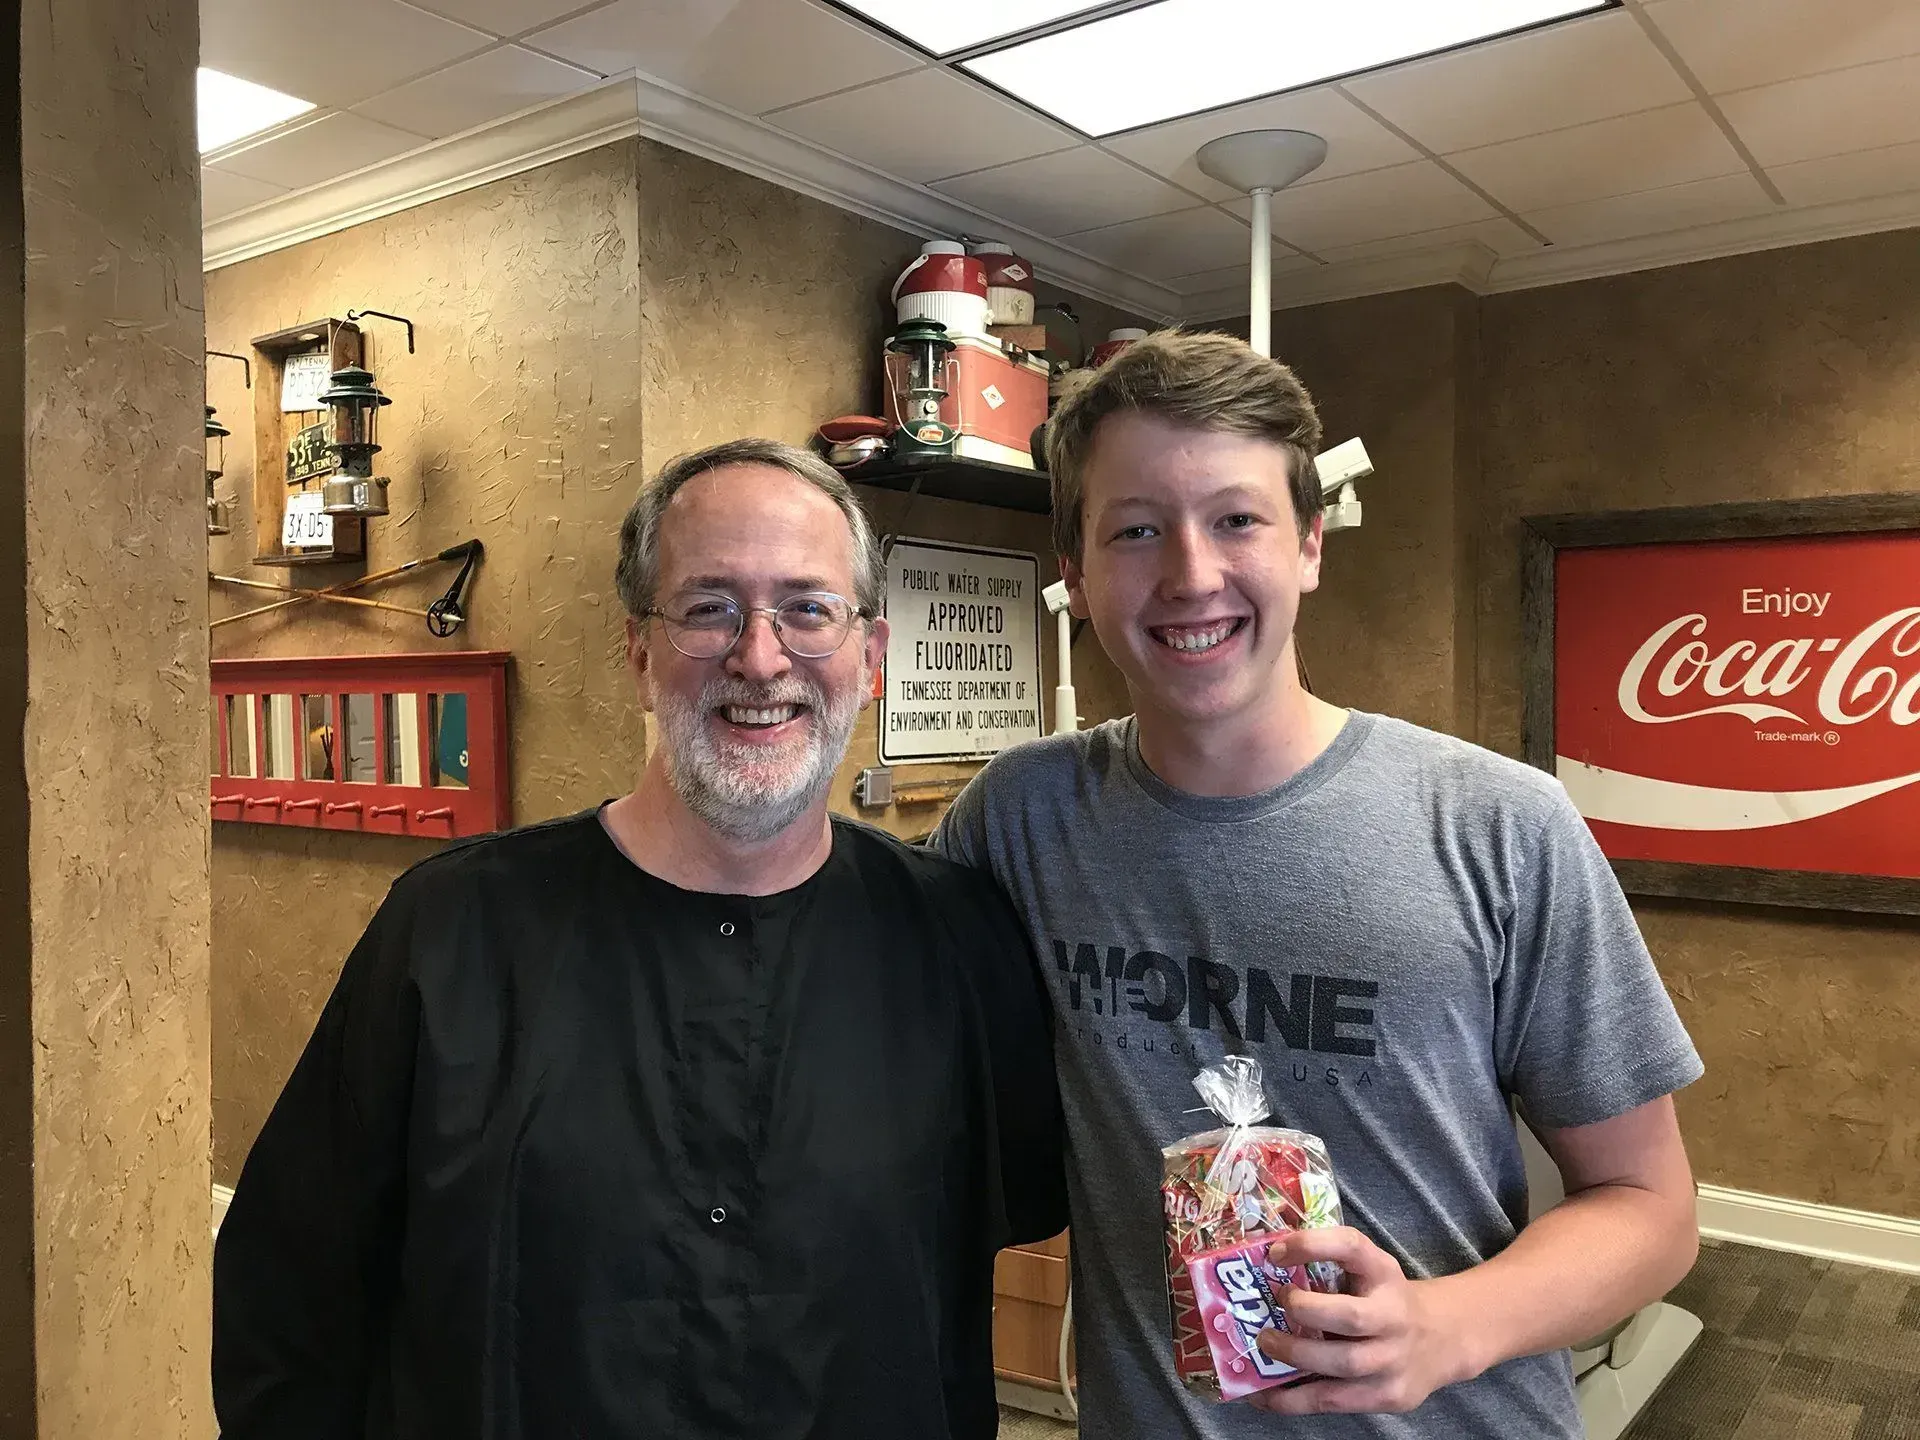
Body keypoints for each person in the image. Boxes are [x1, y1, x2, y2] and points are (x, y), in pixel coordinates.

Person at [931, 331, 1703, 1438]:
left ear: (1309, 544)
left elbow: (1653, 1210)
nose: (1192, 574)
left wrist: (1448, 1325)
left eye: (1236, 520)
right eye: (1137, 530)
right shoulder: (1021, 819)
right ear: (1078, 577)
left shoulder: (1498, 827)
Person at [214, 438, 1065, 1440]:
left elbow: (1018, 1214)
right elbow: (289, 1308)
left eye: (807, 607)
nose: (760, 656)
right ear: (637, 651)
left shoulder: (960, 946)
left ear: (870, 659)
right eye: (709, 607)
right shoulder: (450, 937)